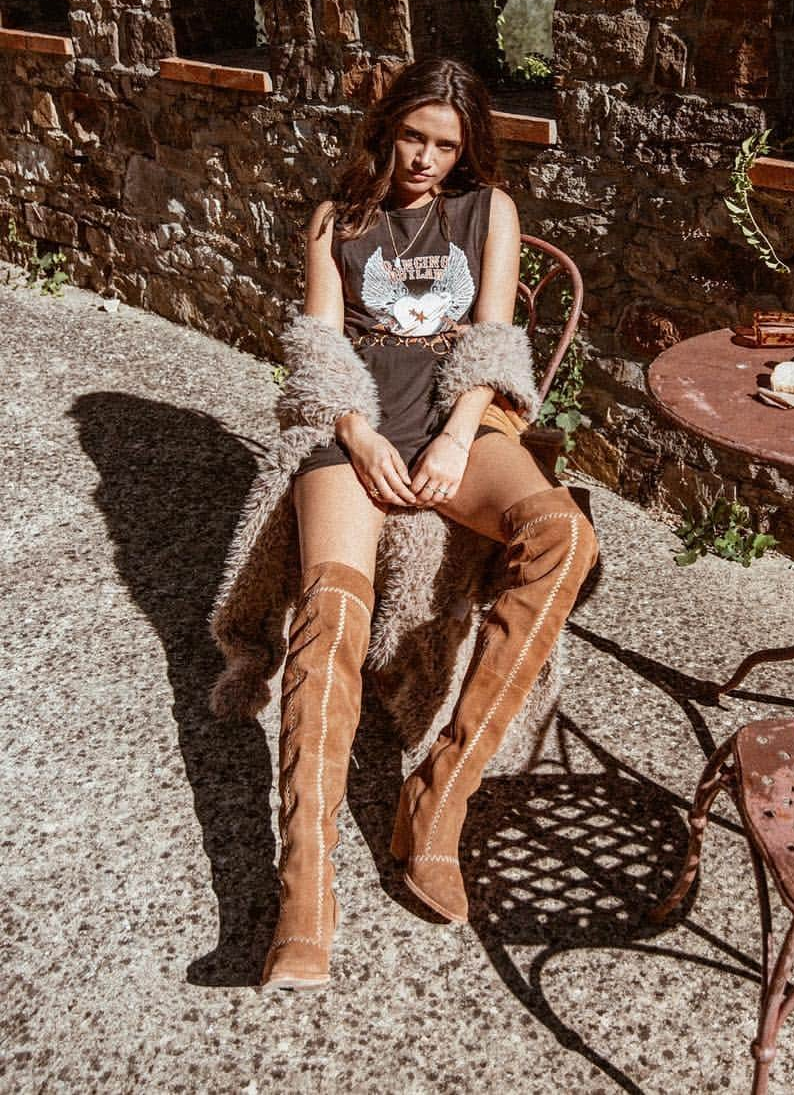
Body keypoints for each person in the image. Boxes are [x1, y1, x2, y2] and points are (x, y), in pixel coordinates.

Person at [260, 56, 599, 991]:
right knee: (330, 615)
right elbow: (320, 346)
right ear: (388, 125)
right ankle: (305, 891)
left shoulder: (490, 212)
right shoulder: (337, 222)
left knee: (565, 537)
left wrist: (456, 439)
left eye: (447, 145)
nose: (426, 160)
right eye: (414, 136)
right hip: (358, 424)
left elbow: (493, 339)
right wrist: (358, 437)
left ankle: (439, 796)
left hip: (457, 419)